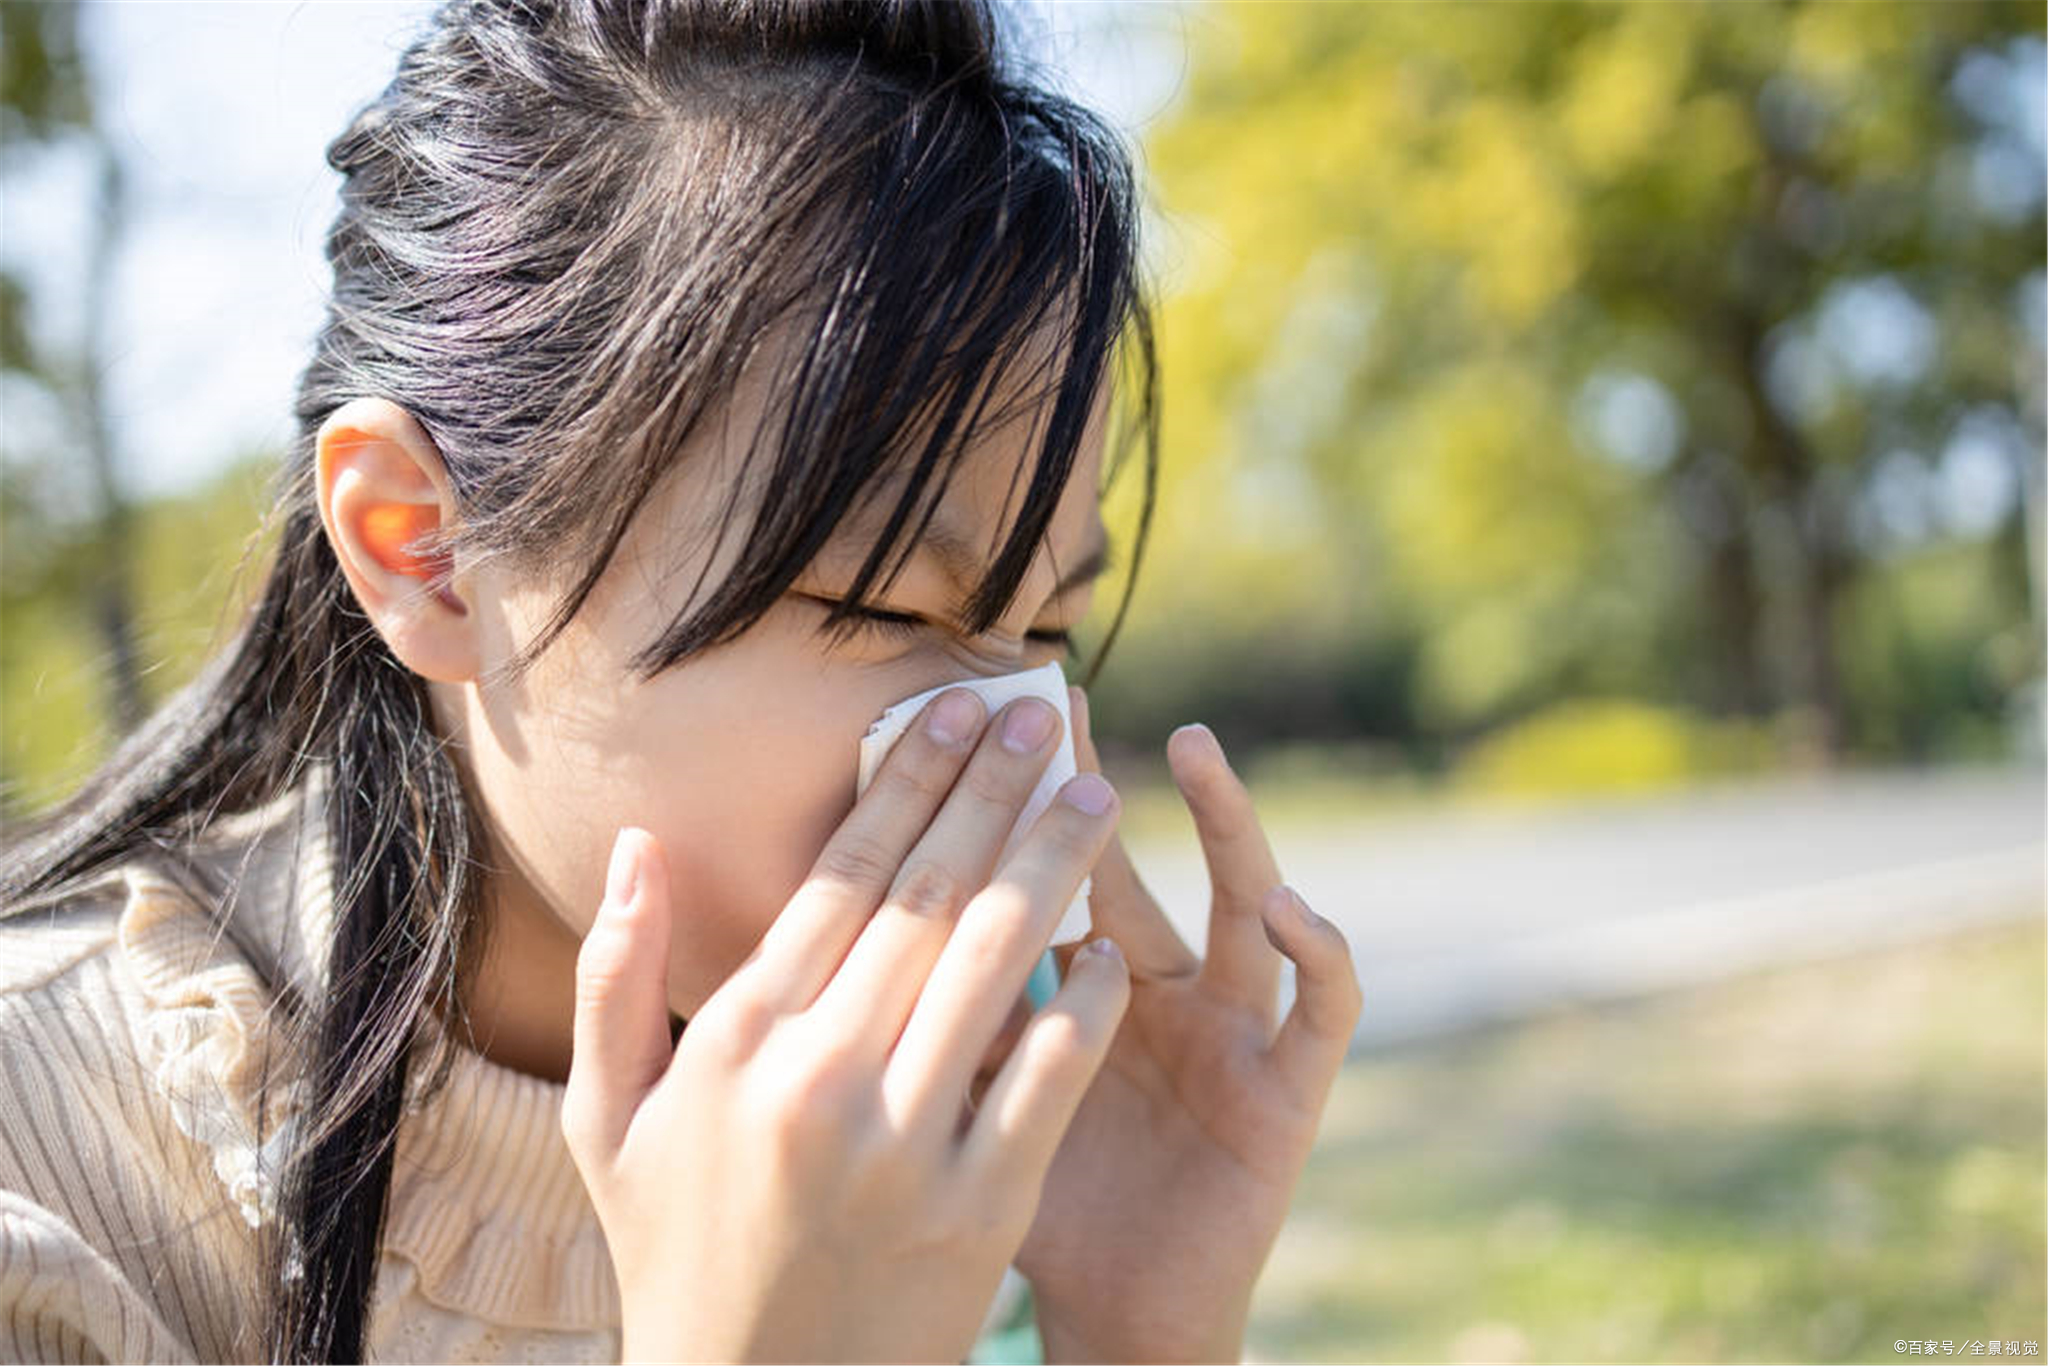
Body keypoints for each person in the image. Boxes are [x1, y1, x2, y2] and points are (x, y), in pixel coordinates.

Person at [0, 0, 1365, 1361]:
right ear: (423, 550)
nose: (1023, 760)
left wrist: (1134, 1324)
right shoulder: (47, 1185)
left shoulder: (945, 1131)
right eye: (888, 605)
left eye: (1048, 632)